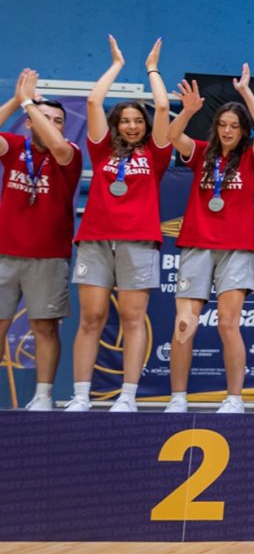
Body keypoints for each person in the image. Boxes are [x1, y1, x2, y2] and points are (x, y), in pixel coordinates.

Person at [66, 37, 172, 412]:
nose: (131, 126)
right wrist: (115, 65)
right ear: (116, 125)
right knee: (92, 317)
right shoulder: (101, 149)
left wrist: (151, 69)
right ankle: (81, 395)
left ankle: (127, 395)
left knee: (132, 317)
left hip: (138, 242)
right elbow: (94, 101)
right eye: (125, 121)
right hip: (95, 240)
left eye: (136, 121)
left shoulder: (156, 153)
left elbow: (162, 105)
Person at [164, 62, 254, 414]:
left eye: (234, 126)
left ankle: (234, 398)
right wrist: (187, 111)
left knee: (228, 324)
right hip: (197, 244)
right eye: (222, 125)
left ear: (242, 130)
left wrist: (244, 93)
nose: (227, 131)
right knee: (184, 323)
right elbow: (169, 137)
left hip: (237, 249)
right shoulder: (200, 153)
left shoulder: (251, 159)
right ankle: (178, 397)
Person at [0, 69, 82, 410]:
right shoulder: (15, 146)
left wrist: (31, 103)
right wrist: (18, 101)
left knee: (44, 327)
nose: (51, 124)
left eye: (58, 120)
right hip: (5, 253)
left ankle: (44, 396)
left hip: (49, 256)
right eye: (43, 118)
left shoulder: (70, 153)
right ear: (29, 122)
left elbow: (58, 146)